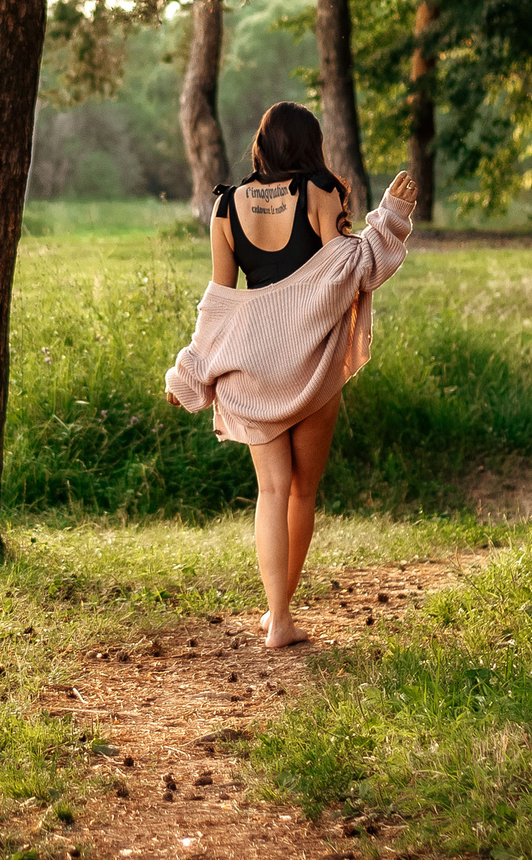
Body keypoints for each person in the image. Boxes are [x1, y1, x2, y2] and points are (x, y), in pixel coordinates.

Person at [163, 102, 417, 648]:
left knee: (271, 491)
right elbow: (347, 272)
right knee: (303, 493)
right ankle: (282, 617)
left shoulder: (226, 206)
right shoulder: (321, 193)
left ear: (262, 144)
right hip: (309, 363)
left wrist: (190, 371)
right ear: (310, 145)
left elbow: (221, 303)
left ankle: (276, 617)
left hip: (250, 371)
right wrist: (391, 218)